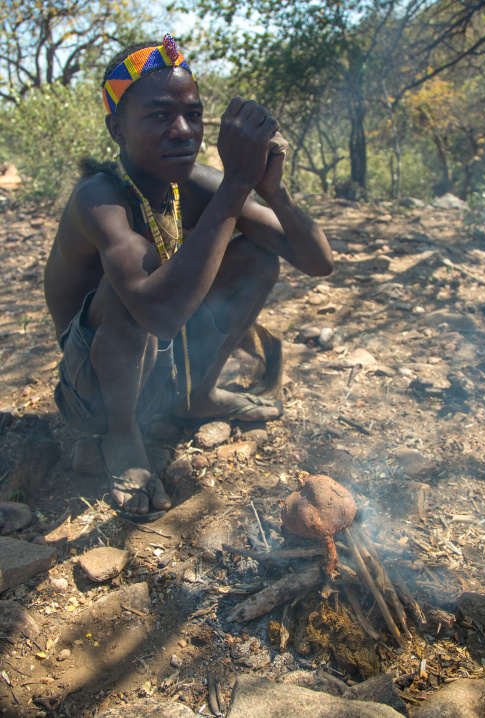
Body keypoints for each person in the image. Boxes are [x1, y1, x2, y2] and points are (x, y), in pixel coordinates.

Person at [44, 34, 333, 522]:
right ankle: (121, 435)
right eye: (159, 116)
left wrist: (273, 191)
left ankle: (196, 397)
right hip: (92, 392)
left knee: (258, 259)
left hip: (164, 366)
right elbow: (157, 314)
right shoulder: (99, 199)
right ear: (117, 128)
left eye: (193, 115)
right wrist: (236, 185)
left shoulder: (191, 185)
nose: (182, 130)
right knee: (128, 288)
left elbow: (319, 262)